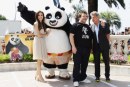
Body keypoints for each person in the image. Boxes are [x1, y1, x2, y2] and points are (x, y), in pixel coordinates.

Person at [69, 10, 93, 87]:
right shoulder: (75, 25)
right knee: (77, 64)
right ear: (80, 17)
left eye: (86, 16)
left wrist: (91, 48)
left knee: (84, 64)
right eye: (83, 16)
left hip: (87, 49)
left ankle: (83, 78)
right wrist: (73, 46)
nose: (85, 18)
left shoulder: (88, 27)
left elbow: (91, 37)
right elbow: (71, 36)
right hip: (77, 48)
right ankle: (76, 79)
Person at [90, 11, 110, 82]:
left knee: (106, 62)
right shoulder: (91, 26)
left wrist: (108, 44)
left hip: (104, 46)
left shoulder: (104, 24)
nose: (92, 19)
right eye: (91, 17)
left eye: (93, 17)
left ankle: (107, 76)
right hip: (96, 47)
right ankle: (97, 76)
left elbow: (108, 34)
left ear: (97, 17)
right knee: (97, 62)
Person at [33, 11, 48, 82]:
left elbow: (43, 33)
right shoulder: (36, 24)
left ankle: (36, 75)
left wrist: (47, 32)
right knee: (39, 60)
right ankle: (40, 76)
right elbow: (38, 35)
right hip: (38, 41)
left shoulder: (42, 24)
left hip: (42, 41)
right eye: (39, 15)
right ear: (37, 16)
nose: (40, 16)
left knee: (41, 60)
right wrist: (47, 34)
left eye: (41, 15)